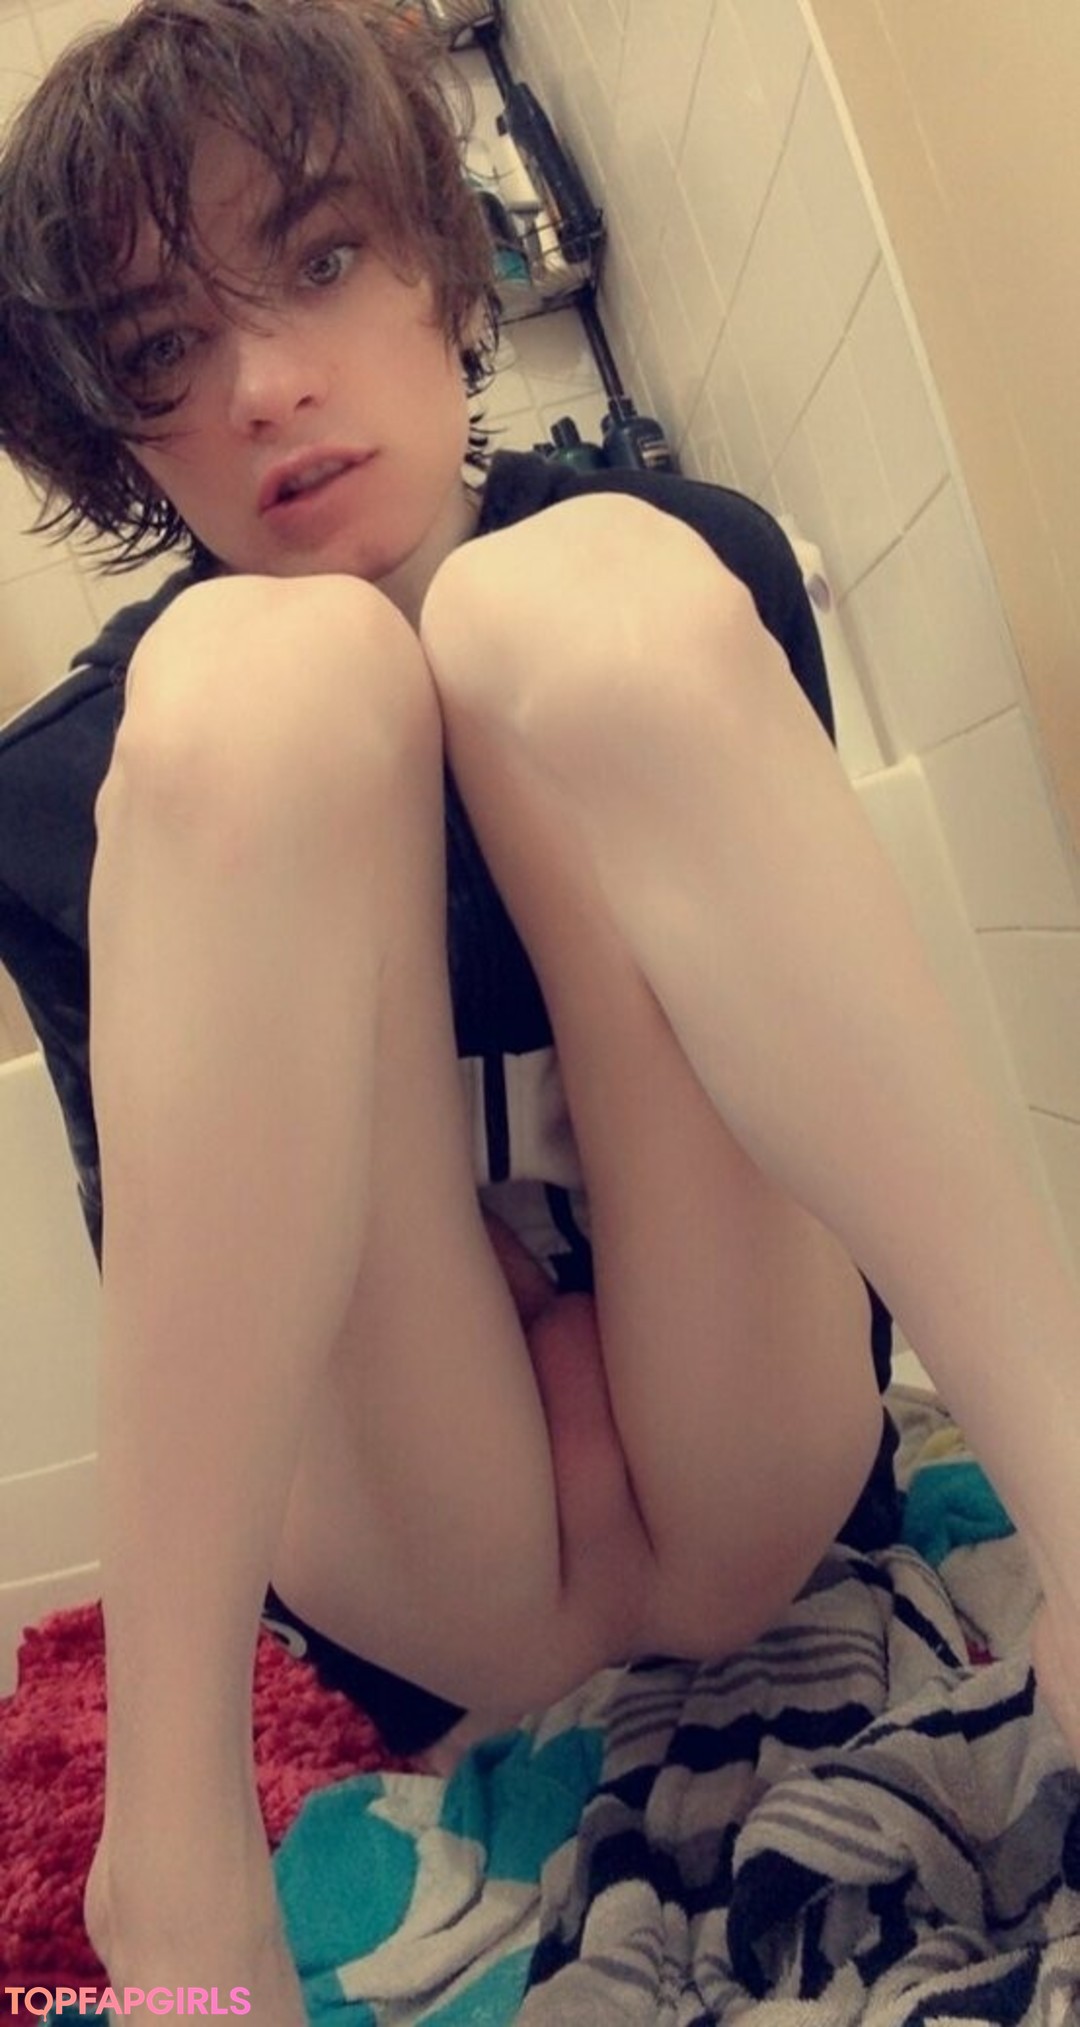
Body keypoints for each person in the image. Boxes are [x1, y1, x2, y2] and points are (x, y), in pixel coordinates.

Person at [1, 0, 1078, 2015]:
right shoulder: (83, 786)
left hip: (752, 1466)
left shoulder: (683, 574)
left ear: (442, 259)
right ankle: (169, 1855)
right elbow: (189, 1296)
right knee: (261, 684)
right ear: (111, 433)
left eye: (323, 257)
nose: (263, 385)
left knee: (565, 596)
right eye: (160, 353)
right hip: (437, 1590)